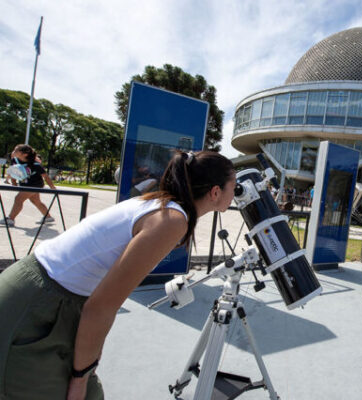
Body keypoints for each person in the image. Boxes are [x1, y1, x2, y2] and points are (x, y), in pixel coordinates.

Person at [0, 150, 236, 400]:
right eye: (234, 185)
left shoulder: (161, 204)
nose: (236, 192)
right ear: (215, 192)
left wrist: (86, 371)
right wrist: (80, 378)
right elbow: (101, 307)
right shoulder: (172, 220)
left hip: (48, 293)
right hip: (38, 304)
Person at [2, 144, 57, 227]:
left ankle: (10, 219)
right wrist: (14, 183)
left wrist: (52, 187)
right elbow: (14, 171)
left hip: (35, 184)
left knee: (18, 199)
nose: (13, 152)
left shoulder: (35, 164)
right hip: (25, 184)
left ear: (25, 154)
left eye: (16, 150)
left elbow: (45, 176)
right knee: (35, 201)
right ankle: (48, 217)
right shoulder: (15, 160)